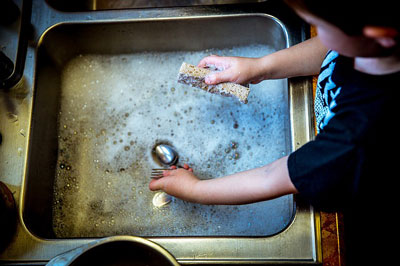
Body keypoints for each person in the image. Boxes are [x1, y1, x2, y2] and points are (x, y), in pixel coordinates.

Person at [150, 1, 399, 264]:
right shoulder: (369, 47)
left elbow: (273, 177)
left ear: (379, 34)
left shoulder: (358, 138)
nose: (317, 33)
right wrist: (260, 67)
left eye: (320, 27)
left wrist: (196, 190)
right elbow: (331, 50)